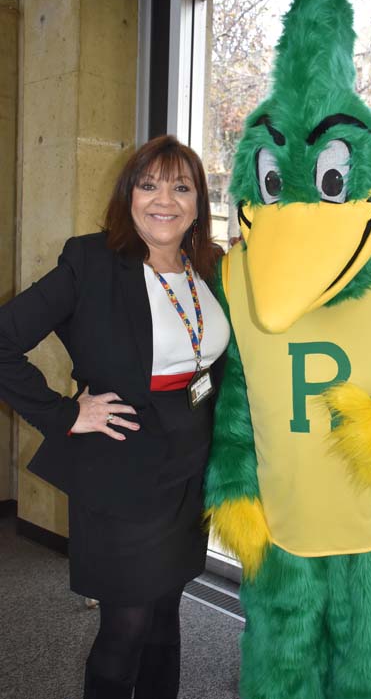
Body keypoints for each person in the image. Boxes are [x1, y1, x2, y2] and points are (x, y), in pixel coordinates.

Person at [0, 135, 230, 699]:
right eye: (149, 184)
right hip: (121, 464)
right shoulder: (92, 261)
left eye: (182, 186)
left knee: (167, 612)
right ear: (128, 195)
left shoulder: (212, 267)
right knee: (125, 626)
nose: (165, 200)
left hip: (191, 461)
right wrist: (63, 413)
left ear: (200, 200)